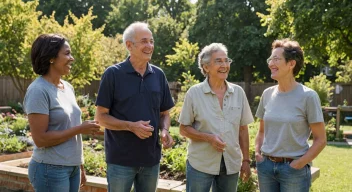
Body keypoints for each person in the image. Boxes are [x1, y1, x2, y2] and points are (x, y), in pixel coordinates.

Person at [94, 22, 175, 192]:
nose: (150, 46)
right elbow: (100, 117)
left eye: (151, 41)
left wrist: (165, 130)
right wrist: (131, 126)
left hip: (151, 160)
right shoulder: (113, 74)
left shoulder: (158, 75)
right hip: (120, 161)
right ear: (129, 45)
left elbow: (164, 114)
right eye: (144, 41)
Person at [23, 34, 101, 192]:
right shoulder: (38, 90)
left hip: (72, 168)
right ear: (51, 57)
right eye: (67, 53)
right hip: (50, 168)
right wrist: (80, 129)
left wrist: (80, 167)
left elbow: (71, 130)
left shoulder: (67, 87)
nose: (71, 58)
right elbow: (40, 139)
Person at [178, 43, 254, 192]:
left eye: (226, 60)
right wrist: (208, 138)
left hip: (231, 163)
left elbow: (243, 129)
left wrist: (246, 160)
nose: (224, 65)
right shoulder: (194, 93)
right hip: (201, 164)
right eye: (218, 61)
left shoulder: (238, 92)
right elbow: (183, 129)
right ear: (206, 67)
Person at [255, 39, 327, 192]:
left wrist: (299, 163)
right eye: (270, 59)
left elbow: (320, 140)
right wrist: (258, 155)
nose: (270, 63)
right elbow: (261, 132)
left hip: (294, 170)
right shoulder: (267, 94)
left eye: (276, 59)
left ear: (291, 64)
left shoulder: (308, 96)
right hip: (266, 168)